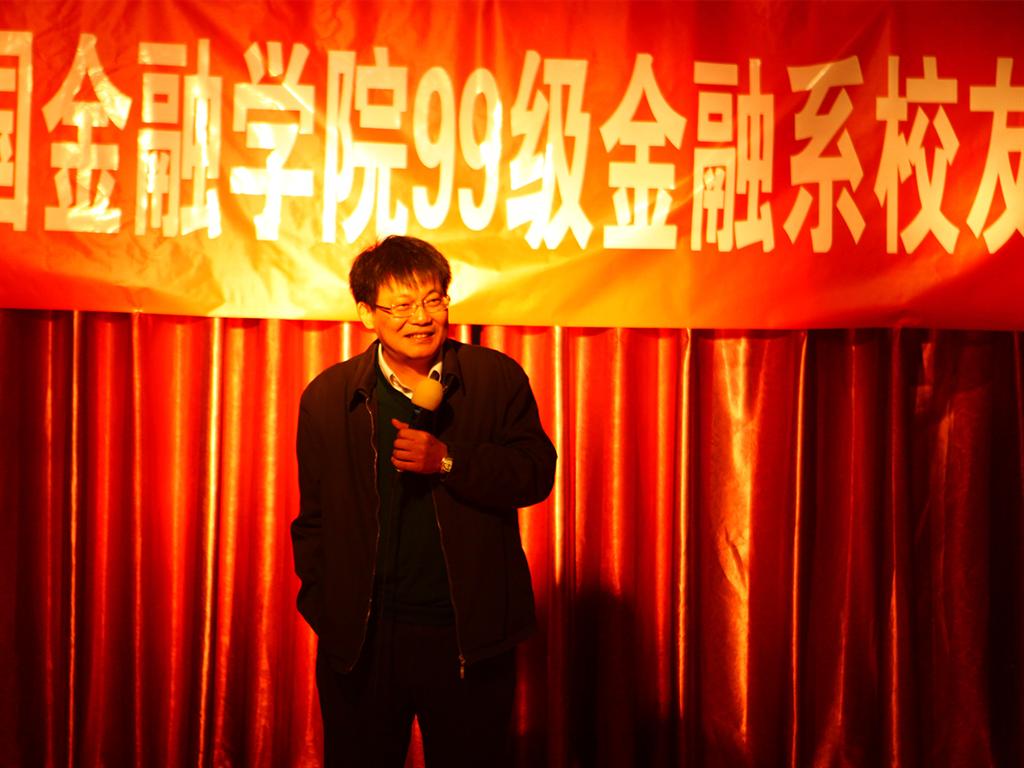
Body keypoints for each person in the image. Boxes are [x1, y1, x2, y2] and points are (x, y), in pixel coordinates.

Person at [291, 235, 557, 767]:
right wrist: (328, 608)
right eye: (402, 305)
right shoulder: (328, 397)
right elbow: (313, 521)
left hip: (468, 640)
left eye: (433, 300)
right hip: (363, 646)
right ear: (367, 313)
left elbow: (535, 475)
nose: (421, 317)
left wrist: (448, 462)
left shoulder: (496, 378)